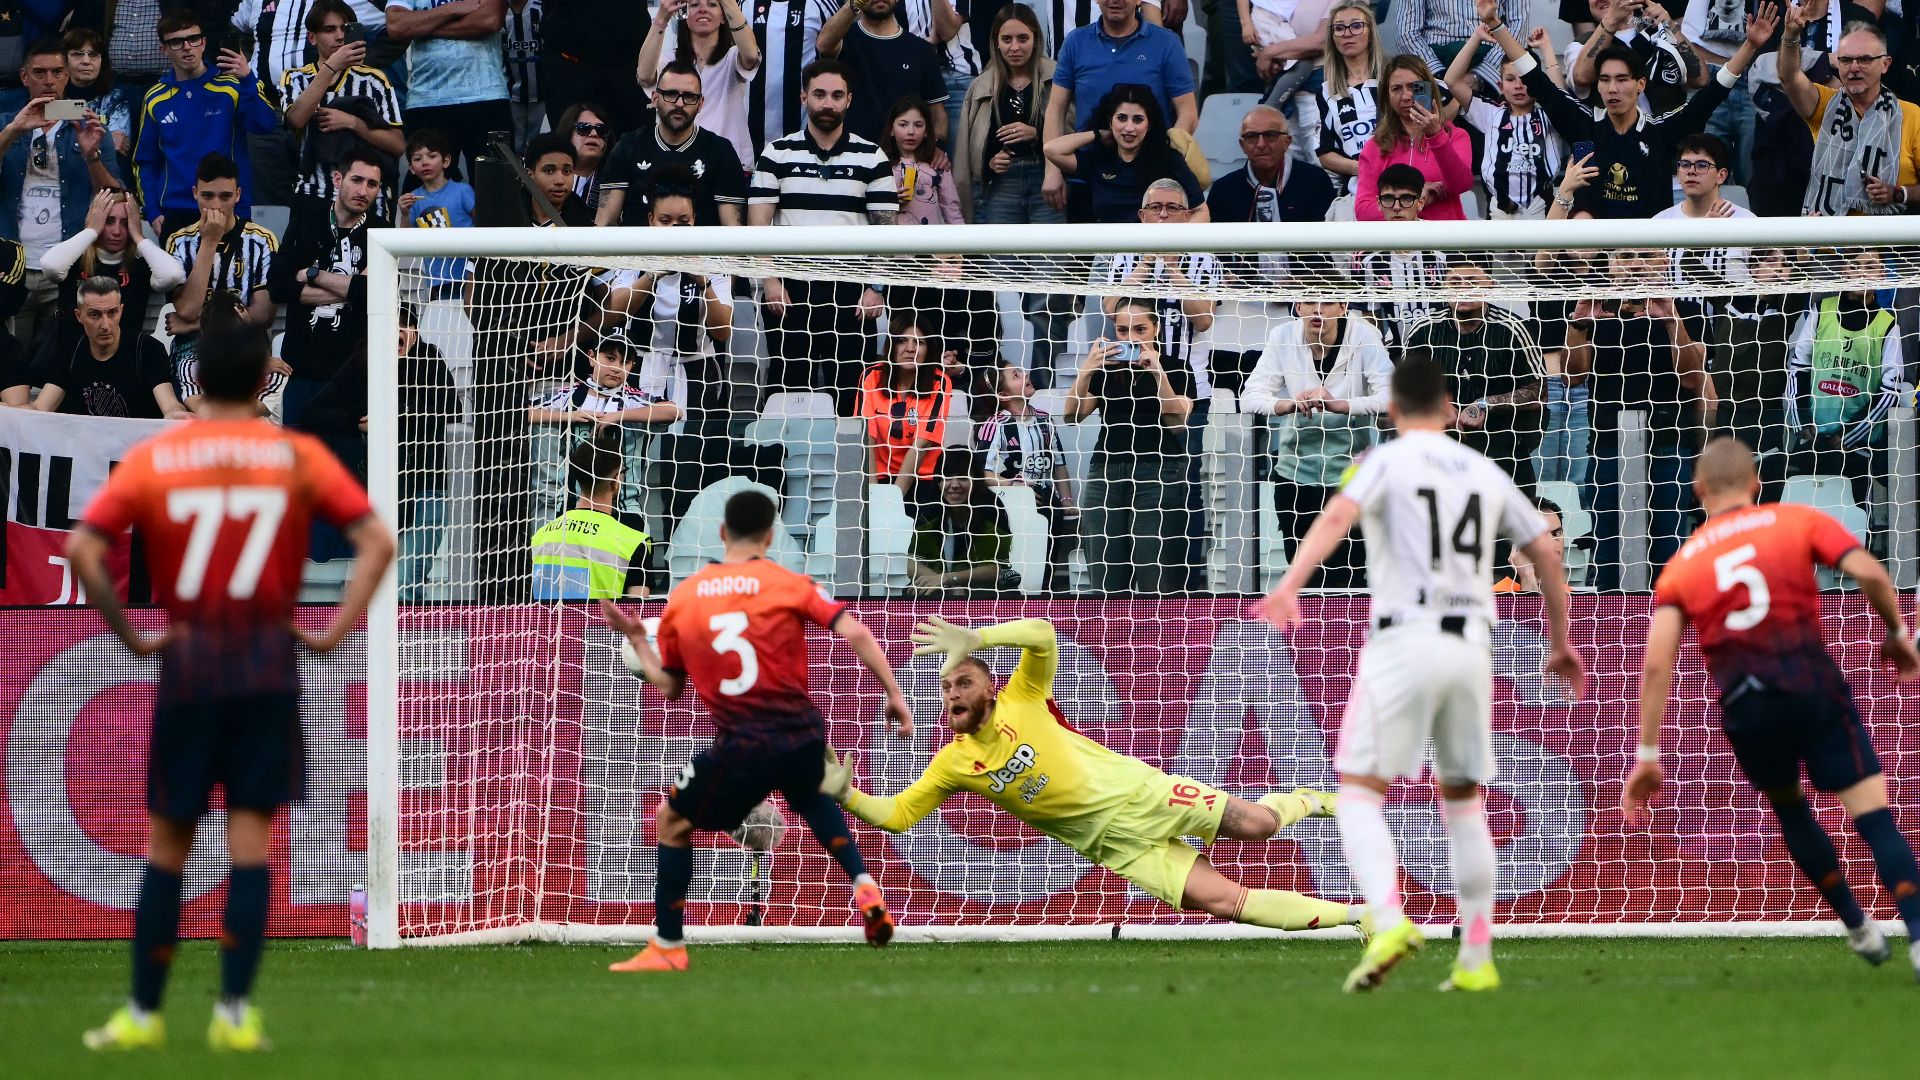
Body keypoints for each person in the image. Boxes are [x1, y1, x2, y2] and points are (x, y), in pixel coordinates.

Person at [72, 315, 395, 1052]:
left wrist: (132, 636)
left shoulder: (160, 455)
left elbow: (85, 550)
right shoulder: (295, 454)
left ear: (197, 378)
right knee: (250, 845)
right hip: (265, 665)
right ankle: (234, 1014)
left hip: (190, 664)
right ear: (261, 381)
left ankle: (143, 1015)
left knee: (168, 846)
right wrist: (332, 632)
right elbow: (378, 541)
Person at [1254, 356, 1583, 993]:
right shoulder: (1483, 469)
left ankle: (1387, 918)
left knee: (1358, 791)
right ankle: (1477, 956)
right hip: (1472, 645)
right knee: (1464, 800)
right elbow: (1544, 548)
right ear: (1450, 407)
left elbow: (1335, 518)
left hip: (1405, 637)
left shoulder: (1381, 460)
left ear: (1393, 409)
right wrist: (1562, 641)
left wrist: (1290, 584)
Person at [828, 615, 1365, 933]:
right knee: (1227, 903)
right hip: (1114, 846)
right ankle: (1361, 917)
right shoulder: (953, 762)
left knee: (1259, 826)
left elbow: (1042, 634)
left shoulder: (1024, 695)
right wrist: (846, 794)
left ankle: (1316, 799)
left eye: (963, 682)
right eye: (946, 687)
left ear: (990, 687)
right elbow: (898, 816)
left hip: (1141, 794)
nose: (952, 694)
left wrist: (980, 638)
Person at [1625, 436, 1920, 979]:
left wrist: (1647, 755)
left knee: (1791, 810)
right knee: (1874, 817)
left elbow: (1655, 664)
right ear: (1757, 483)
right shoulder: (1795, 520)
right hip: (1811, 685)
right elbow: (1873, 574)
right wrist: (1899, 634)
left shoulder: (1683, 563)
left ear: (1698, 490)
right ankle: (1918, 934)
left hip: (1747, 707)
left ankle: (1857, 925)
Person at [600, 488, 915, 971]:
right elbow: (855, 631)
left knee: (672, 822)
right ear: (770, 537)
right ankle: (863, 884)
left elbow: (669, 688)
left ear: (722, 533)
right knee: (812, 798)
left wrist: (640, 641)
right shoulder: (789, 582)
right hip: (802, 730)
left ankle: (667, 946)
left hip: (743, 740)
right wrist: (894, 695)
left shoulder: (686, 597)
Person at [1479, 0, 1773, 219]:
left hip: (1649, 261)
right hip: (1596, 261)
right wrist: (1495, 24)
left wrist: (1749, 46)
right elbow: (1536, 79)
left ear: (1640, 84)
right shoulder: (1584, 125)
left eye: (1621, 80)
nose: (1612, 88)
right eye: (1605, 80)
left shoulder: (1661, 132)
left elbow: (1710, 94)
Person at [462, 131, 598, 603]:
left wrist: (563, 341)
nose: (559, 180)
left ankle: (561, 588)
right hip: (504, 373)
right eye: (549, 170)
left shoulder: (585, 229)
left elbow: (602, 307)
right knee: (509, 484)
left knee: (553, 483)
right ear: (528, 173)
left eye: (567, 170)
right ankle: (506, 590)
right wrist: (511, 344)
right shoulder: (501, 219)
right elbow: (472, 298)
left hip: (566, 373)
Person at [748, 58, 897, 412]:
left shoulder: (872, 156)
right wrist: (770, 281)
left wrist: (876, 288)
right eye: (819, 94)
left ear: (849, 100)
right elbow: (757, 227)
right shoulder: (776, 153)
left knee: (852, 393)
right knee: (787, 390)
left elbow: (887, 231)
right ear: (804, 98)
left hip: (851, 290)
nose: (827, 103)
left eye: (836, 95)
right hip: (790, 288)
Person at [1567, 247, 1707, 591]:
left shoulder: (1686, 309)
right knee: (1608, 548)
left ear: (1664, 261)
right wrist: (1579, 323)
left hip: (1668, 443)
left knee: (1667, 548)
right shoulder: (1597, 309)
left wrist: (1671, 319)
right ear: (1611, 264)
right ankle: (1609, 623)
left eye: (1646, 254)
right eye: (1626, 256)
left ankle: (1670, 621)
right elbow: (1572, 376)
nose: (1635, 264)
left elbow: (1692, 379)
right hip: (1606, 443)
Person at [1241, 297, 1392, 589]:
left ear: (1343, 307)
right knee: (1303, 578)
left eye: (1327, 303)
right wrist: (1287, 405)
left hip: (1350, 476)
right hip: (1295, 473)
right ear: (1298, 307)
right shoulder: (1283, 335)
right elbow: (1250, 398)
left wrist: (1341, 405)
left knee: (1347, 578)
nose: (1317, 309)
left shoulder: (1364, 335)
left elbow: (1391, 396)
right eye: (1309, 302)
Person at [1064, 297, 1192, 596]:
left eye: (1140, 329)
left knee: (1155, 578)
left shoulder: (1176, 367)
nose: (1131, 338)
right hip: (1106, 472)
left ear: (1156, 328)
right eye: (1122, 330)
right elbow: (1071, 416)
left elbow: (1177, 421)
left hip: (1158, 471)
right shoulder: (1106, 369)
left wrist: (1157, 372)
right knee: (1105, 580)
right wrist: (1087, 369)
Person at [2, 38, 119, 354]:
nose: (49, 80)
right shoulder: (6, 124)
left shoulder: (88, 125)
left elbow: (116, 197)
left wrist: (92, 156)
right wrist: (13, 131)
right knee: (11, 362)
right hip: (14, 266)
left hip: (68, 264)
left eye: (57, 72)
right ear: (24, 77)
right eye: (39, 72)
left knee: (61, 361)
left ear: (67, 75)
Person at [1783, 249, 1903, 556]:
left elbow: (1889, 391)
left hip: (1856, 447)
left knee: (1851, 531)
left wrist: (1848, 435)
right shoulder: (1821, 310)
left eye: (1870, 266)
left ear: (1881, 276)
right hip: (1811, 439)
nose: (1861, 272)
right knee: (1801, 528)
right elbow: (1798, 368)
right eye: (1854, 265)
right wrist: (1803, 424)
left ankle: (1851, 581)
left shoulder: (1888, 325)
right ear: (1844, 271)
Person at [268, 147, 388, 432]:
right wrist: (353, 286)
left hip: (352, 373)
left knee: (346, 456)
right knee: (299, 454)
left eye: (372, 184)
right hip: (301, 367)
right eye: (356, 180)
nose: (363, 191)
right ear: (337, 179)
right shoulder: (305, 222)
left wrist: (314, 275)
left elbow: (376, 294)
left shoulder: (381, 232)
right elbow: (278, 286)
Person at [1404, 260, 1547, 491]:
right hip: (1439, 451)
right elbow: (1404, 390)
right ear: (1443, 287)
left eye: (1472, 282)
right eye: (1455, 282)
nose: (1463, 289)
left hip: (1504, 451)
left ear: (1490, 286)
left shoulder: (1512, 328)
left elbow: (1538, 393)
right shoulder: (1423, 330)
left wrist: (1484, 404)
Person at [134, 12, 279, 239]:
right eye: (176, 42)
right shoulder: (155, 97)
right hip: (176, 210)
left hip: (230, 206)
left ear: (204, 43)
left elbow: (265, 125)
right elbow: (145, 161)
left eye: (193, 39)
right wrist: (152, 211)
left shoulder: (233, 85)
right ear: (164, 49)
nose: (187, 47)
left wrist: (247, 78)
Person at [616, 169, 735, 415]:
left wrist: (703, 282)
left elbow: (722, 332)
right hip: (639, 366)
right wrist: (653, 274)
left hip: (696, 370)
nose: (674, 228)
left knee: (691, 439)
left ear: (694, 219)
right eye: (665, 221)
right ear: (651, 220)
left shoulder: (712, 259)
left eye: (683, 221)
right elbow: (615, 312)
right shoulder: (632, 254)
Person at [1781, 9, 1920, 216]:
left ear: (1885, 64)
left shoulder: (1912, 115)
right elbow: (1789, 77)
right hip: (1827, 233)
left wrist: (1898, 193)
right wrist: (1791, 35)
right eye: (1845, 60)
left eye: (1864, 59)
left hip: (1889, 235)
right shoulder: (1824, 104)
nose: (1854, 68)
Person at [164, 154, 279, 404]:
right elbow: (188, 308)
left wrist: (194, 324)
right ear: (195, 193)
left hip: (245, 343)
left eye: (225, 196)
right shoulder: (179, 241)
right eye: (207, 196)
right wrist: (209, 242)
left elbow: (262, 316)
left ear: (238, 195)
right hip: (193, 348)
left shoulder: (262, 240)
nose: (216, 206)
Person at [280, 1, 406, 216]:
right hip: (314, 193)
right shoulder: (296, 78)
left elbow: (397, 145)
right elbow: (296, 119)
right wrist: (331, 67)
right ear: (312, 38)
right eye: (329, 30)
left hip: (367, 199)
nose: (339, 36)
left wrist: (353, 123)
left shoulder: (374, 79)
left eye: (345, 29)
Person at [38, 188, 185, 366]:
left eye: (125, 223)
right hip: (72, 360)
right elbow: (50, 266)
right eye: (108, 221)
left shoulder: (140, 265)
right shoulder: (74, 259)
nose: (116, 231)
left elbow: (172, 275)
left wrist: (138, 236)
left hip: (124, 362)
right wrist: (91, 230)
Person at [598, 60, 750, 227]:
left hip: (700, 245)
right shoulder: (628, 146)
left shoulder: (721, 151)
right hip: (638, 244)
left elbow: (733, 231)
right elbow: (605, 223)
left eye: (689, 96)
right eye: (670, 94)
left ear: (700, 104)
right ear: (655, 98)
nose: (679, 103)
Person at [1443, 25, 1566, 218]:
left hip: (1542, 211)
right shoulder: (1490, 112)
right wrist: (1476, 38)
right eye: (1510, 79)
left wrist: (1546, 48)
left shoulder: (1550, 114)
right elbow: (1451, 80)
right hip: (1500, 212)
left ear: (1538, 82)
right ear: (1500, 86)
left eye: (1525, 79)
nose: (1518, 85)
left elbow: (1561, 96)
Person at [954, 3, 1060, 223]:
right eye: (1006, 39)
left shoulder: (1056, 77)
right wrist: (990, 163)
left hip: (1048, 178)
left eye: (1023, 38)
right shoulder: (981, 86)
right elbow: (970, 152)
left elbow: (1073, 131)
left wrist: (1038, 133)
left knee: (1049, 246)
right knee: (1002, 247)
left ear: (1036, 40)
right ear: (996, 42)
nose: (1014, 47)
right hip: (1002, 184)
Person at [1043, 82, 1207, 224]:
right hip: (1108, 247)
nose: (1129, 128)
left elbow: (1202, 212)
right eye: (1121, 118)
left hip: (1153, 247)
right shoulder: (1100, 159)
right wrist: (1098, 134)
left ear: (1149, 125)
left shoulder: (1168, 159)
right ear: (1110, 121)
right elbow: (1052, 150)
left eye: (1138, 120)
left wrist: (1171, 244)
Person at [385, 0, 513, 178]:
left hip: (486, 96)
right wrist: (452, 9)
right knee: (426, 189)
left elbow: (489, 20)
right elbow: (397, 26)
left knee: (495, 185)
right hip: (426, 100)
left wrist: (423, 27)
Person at [33, 275, 188, 419]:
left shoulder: (148, 349)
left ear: (121, 310)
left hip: (136, 439)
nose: (105, 325)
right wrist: (18, 412)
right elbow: (42, 407)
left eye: (112, 313)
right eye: (95, 314)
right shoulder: (69, 350)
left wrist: (176, 414)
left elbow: (170, 405)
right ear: (79, 316)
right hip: (84, 438)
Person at [979, 362, 1076, 588]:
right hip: (1009, 499)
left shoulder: (1045, 420)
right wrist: (1016, 488)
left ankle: (1044, 587)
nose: (1025, 375)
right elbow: (982, 473)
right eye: (1016, 375)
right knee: (1019, 554)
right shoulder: (996, 424)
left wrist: (1066, 500)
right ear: (1003, 394)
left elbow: (1059, 465)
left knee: (1049, 521)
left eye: (1021, 371)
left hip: (1044, 497)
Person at [640, 0, 762, 172]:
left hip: (730, 162)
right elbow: (644, 76)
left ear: (723, 17)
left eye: (712, 5)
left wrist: (729, 4)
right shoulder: (668, 59)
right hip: (677, 162)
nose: (703, 10)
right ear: (684, 15)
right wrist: (661, 17)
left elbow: (750, 56)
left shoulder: (733, 55)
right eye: (695, 5)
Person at [530, 432, 654, 599]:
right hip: (604, 618)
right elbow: (637, 610)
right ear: (615, 480)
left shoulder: (540, 537)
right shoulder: (633, 542)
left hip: (546, 617)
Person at [1354, 55, 1473, 221]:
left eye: (1413, 87)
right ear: (1387, 97)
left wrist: (1436, 136)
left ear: (1429, 90)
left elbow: (1461, 184)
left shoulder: (1455, 136)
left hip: (1444, 235)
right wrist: (1414, 200)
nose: (1406, 96)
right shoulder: (1375, 146)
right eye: (1396, 89)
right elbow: (1363, 210)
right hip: (1396, 237)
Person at [817, 0, 950, 144]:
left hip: (902, 154)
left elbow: (937, 113)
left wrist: (939, 145)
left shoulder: (921, 50)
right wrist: (854, 4)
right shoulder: (844, 39)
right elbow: (823, 45)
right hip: (852, 151)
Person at [860, 312, 954, 512]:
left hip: (922, 479)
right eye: (902, 341)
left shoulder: (940, 382)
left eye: (919, 342)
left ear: (929, 350)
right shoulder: (871, 376)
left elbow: (922, 444)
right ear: (891, 346)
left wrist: (893, 501)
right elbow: (866, 438)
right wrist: (874, 495)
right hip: (876, 476)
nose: (911, 348)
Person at [1566, 0, 1704, 119]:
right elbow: (1582, 77)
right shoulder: (1581, 45)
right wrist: (1610, 21)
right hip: (1615, 138)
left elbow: (1700, 79)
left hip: (1669, 134)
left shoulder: (1660, 31)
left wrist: (1670, 26)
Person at [1205, 103, 1336, 224]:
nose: (1261, 144)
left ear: (1286, 142)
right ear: (1242, 145)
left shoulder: (1315, 181)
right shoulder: (1222, 191)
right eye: (1251, 137)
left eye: (1270, 135)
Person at [1313, 0, 1386, 196]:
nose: (1347, 33)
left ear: (1370, 32)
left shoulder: (1396, 76)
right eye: (1339, 28)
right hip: (1358, 193)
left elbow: (1439, 107)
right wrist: (1362, 168)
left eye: (1356, 25)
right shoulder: (1326, 91)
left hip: (1405, 188)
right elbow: (1324, 152)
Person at [909, 462, 1016, 596]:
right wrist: (943, 583)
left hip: (984, 589)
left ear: (976, 481)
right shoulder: (929, 509)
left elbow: (995, 569)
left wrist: (950, 578)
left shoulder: (991, 507)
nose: (954, 485)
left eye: (963, 478)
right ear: (938, 482)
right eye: (947, 477)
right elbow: (911, 563)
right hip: (940, 587)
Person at [397, 129, 477, 296]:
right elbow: (406, 242)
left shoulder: (463, 191)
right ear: (411, 168)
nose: (425, 162)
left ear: (446, 161)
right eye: (417, 159)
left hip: (470, 275)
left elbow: (484, 223)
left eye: (432, 156)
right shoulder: (413, 199)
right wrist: (404, 214)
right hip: (435, 279)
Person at [1396, 0, 1530, 93]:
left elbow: (1519, 29)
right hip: (1430, 65)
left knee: (1506, 118)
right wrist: (1438, 76)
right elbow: (1406, 34)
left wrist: (1480, 77)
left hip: (1492, 61)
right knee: (1419, 114)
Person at [884, 96, 963, 222]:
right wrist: (889, 201)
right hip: (893, 234)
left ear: (926, 131)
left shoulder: (937, 164)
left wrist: (961, 233)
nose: (911, 131)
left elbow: (952, 211)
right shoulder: (880, 164)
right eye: (903, 125)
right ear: (891, 130)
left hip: (930, 234)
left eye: (918, 125)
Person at [63, 29, 134, 163]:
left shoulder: (116, 98)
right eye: (77, 54)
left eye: (93, 54)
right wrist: (105, 141)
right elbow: (51, 145)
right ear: (63, 60)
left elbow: (118, 146)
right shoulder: (54, 97)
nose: (86, 61)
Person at [552, 100, 615, 212]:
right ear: (568, 132)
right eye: (584, 128)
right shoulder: (544, 174)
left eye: (601, 130)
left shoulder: (615, 181)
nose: (594, 134)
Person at [1494, 494, 1565, 592]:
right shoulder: (1500, 593)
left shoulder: (1568, 593)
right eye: (1542, 535)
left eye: (1556, 533)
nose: (1552, 542)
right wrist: (1527, 575)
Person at [503, 0, 545, 152]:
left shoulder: (539, 9)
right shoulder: (499, 13)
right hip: (511, 93)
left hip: (541, 91)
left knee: (535, 143)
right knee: (514, 142)